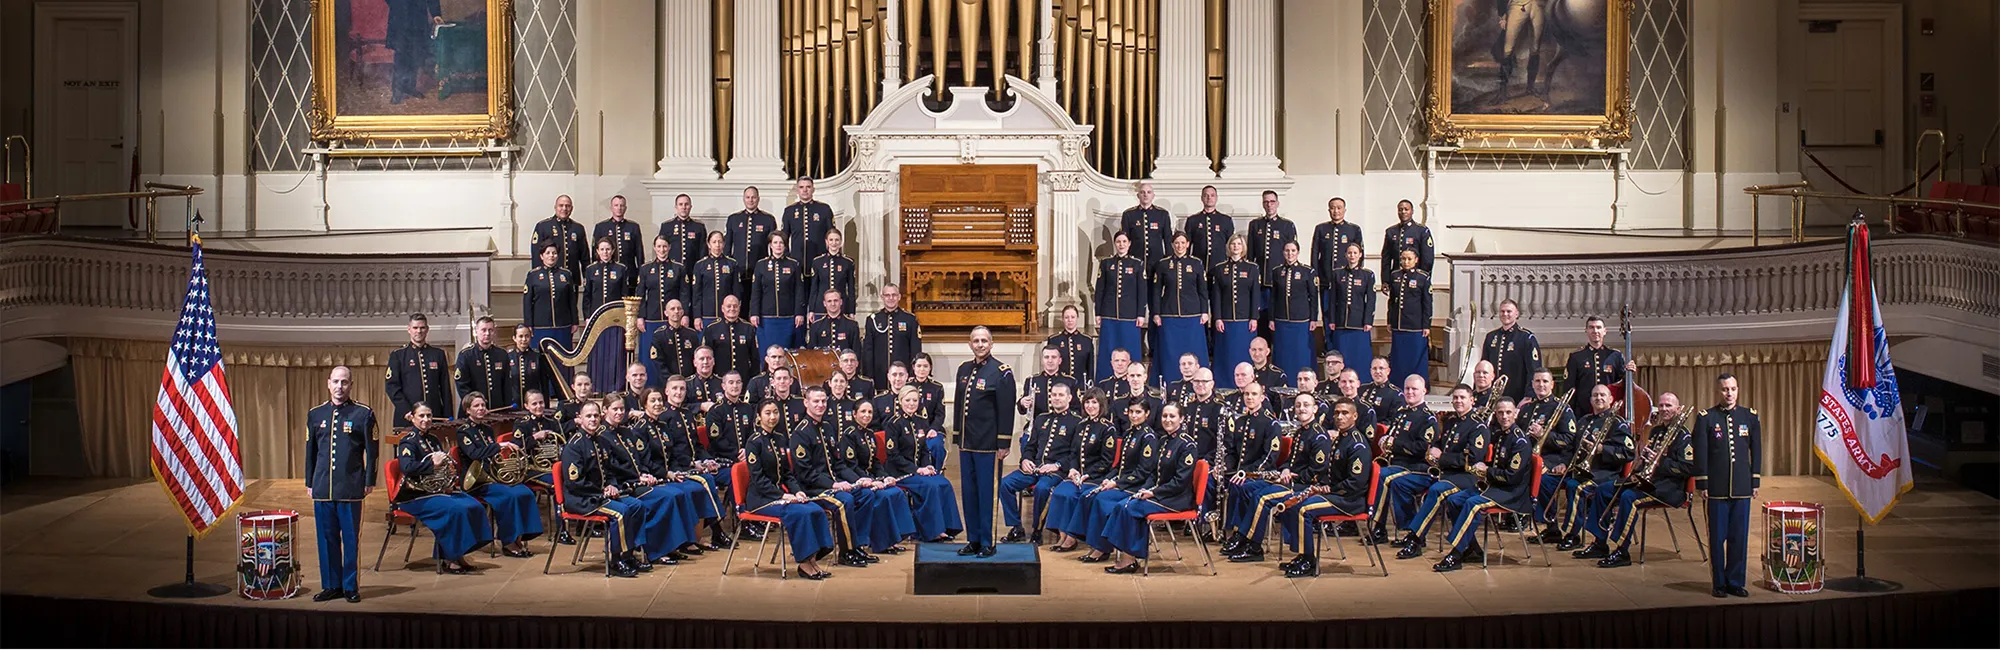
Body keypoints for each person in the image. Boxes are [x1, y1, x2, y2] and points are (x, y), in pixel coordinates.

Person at [1416, 397, 1535, 573]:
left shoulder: (1520, 441)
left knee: (1472, 504)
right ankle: (1471, 548)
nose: (1504, 416)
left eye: (1508, 412)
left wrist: (1487, 471)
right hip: (1495, 486)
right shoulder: (1501, 434)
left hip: (1512, 492)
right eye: (1500, 412)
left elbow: (1512, 477)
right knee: (1455, 500)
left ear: (1516, 414)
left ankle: (1456, 554)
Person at [1093, 401, 1201, 574]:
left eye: (1172, 416)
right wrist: (1144, 489)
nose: (1167, 420)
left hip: (1176, 499)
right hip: (1160, 493)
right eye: (1165, 416)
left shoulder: (1187, 445)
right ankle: (1126, 556)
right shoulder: (1164, 440)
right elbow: (1153, 473)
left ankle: (1129, 559)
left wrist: (1153, 492)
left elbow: (1180, 482)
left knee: (1128, 507)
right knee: (1125, 504)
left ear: (1181, 419)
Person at [1271, 396, 1373, 577]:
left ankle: (1309, 561)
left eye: (1345, 413)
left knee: (1304, 510)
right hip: (1338, 494)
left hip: (1349, 500)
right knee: (1293, 503)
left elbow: (1355, 483)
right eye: (1336, 413)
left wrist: (1329, 489)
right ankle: (1302, 554)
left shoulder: (1357, 444)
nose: (1340, 417)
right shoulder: (1341, 438)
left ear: (1355, 416)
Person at [1594, 392, 1695, 569]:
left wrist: (1660, 461)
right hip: (1649, 482)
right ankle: (1599, 543)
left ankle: (1622, 551)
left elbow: (1688, 468)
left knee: (1628, 498)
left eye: (1669, 406)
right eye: (1661, 405)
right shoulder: (1656, 431)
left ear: (1678, 410)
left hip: (1669, 489)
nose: (1664, 409)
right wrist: (1643, 461)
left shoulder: (1684, 437)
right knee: (1604, 489)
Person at [740, 398, 838, 579]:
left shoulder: (779, 438)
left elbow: (787, 473)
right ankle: (804, 563)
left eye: (775, 412)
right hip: (762, 498)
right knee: (799, 513)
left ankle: (813, 559)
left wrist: (797, 491)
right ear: (759, 417)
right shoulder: (754, 442)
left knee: (814, 508)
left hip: (781, 495)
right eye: (767, 413)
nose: (772, 417)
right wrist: (783, 495)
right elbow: (758, 478)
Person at [1391, 384, 1491, 561]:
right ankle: (1408, 528)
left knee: (1437, 490)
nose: (1458, 401)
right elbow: (1439, 443)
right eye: (1456, 398)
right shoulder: (1451, 421)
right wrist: (1433, 451)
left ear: (1472, 400)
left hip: (1465, 477)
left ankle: (1415, 539)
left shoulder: (1478, 427)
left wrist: (1442, 457)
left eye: (1462, 398)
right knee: (1400, 482)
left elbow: (1472, 459)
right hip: (1442, 473)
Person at [393, 404, 495, 574]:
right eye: (421, 416)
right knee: (455, 510)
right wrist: (431, 463)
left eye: (429, 415)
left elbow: (444, 466)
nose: (426, 420)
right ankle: (450, 558)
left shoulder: (433, 439)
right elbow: (407, 467)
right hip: (415, 495)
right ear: (412, 417)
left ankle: (459, 552)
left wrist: (447, 482)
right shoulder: (408, 441)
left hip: (435, 490)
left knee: (474, 505)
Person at [791, 385, 882, 568]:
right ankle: (846, 552)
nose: (820, 405)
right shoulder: (801, 432)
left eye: (824, 401)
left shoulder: (827, 427)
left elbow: (839, 463)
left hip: (834, 483)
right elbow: (805, 473)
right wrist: (834, 485)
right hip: (813, 487)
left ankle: (858, 545)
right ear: (806, 403)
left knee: (866, 494)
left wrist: (857, 480)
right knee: (844, 501)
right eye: (816, 401)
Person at [306, 367, 374, 602]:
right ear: (328, 383)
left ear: (351, 385)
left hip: (351, 487)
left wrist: (369, 481)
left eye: (344, 382)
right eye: (335, 381)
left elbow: (371, 452)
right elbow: (310, 453)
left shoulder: (363, 414)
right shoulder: (315, 414)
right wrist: (309, 482)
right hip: (323, 487)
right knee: (326, 539)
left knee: (350, 539)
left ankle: (349, 586)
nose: (339, 386)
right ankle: (331, 585)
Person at [559, 399, 647, 577]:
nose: (593, 419)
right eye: (588, 416)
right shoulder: (574, 446)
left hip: (601, 494)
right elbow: (574, 483)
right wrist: (602, 492)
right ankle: (616, 560)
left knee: (637, 506)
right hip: (583, 499)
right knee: (621, 512)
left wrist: (612, 486)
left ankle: (628, 554)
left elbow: (609, 471)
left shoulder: (600, 441)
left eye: (596, 416)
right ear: (580, 418)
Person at [1694, 374, 1760, 598]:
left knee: (1739, 537)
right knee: (1717, 537)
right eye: (1724, 389)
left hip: (1741, 486)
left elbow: (1756, 450)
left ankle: (1736, 581)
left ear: (1738, 389)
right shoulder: (1706, 418)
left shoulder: (1749, 416)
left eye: (1732, 389)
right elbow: (1701, 453)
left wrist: (1755, 480)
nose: (1729, 393)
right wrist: (1702, 482)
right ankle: (1719, 583)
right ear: (1718, 391)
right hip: (1716, 488)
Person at [954, 327, 1018, 556]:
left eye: (984, 341)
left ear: (991, 344)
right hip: (967, 443)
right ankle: (973, 540)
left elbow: (1006, 410)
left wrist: (1004, 443)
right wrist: (957, 436)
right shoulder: (963, 369)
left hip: (989, 445)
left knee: (987, 495)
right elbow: (960, 406)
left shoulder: (1001, 372)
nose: (980, 344)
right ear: (970, 344)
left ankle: (987, 541)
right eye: (975, 341)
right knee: (969, 494)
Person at [456, 393, 542, 558]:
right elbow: (474, 454)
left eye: (483, 405)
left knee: (524, 492)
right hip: (476, 482)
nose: (481, 408)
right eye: (476, 406)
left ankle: (520, 536)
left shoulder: (487, 429)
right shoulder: (463, 432)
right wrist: (499, 445)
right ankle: (508, 542)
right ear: (468, 410)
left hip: (493, 476)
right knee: (509, 496)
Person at [1074, 400, 1160, 564]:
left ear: (1147, 414)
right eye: (1131, 412)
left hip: (1136, 485)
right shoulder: (1129, 433)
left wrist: (1117, 483)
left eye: (1138, 412)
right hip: (1123, 481)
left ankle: (1102, 548)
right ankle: (1097, 545)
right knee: (1089, 496)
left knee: (1100, 499)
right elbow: (1120, 465)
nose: (1134, 416)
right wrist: (1109, 478)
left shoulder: (1148, 437)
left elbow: (1143, 471)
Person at [1216, 383, 1293, 563]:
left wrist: (1247, 472)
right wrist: (1225, 467)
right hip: (1241, 472)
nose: (1249, 397)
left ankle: (1243, 536)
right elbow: (1233, 452)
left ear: (1262, 396)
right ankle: (1235, 533)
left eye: (1254, 394)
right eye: (1247, 394)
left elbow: (1270, 457)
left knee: (1242, 486)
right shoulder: (1241, 421)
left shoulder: (1270, 422)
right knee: (1227, 482)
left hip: (1263, 474)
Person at [1555, 384, 1635, 554]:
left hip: (1605, 474)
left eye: (1603, 395)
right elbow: (1572, 448)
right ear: (1590, 399)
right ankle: (1552, 528)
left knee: (1574, 487)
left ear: (1610, 399)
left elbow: (1628, 453)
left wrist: (1601, 450)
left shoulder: (1618, 423)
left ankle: (1572, 534)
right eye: (1595, 395)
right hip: (1583, 471)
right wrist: (1563, 463)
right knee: (1557, 481)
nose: (1599, 398)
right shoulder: (1584, 421)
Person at [1001, 382, 1080, 545]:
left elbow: (1075, 454)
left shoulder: (1076, 422)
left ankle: (1037, 530)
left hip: (1056, 471)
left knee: (1042, 489)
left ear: (1069, 398)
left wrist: (1057, 465)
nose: (1056, 398)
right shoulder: (1041, 419)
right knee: (1005, 484)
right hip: (1034, 469)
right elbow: (1030, 446)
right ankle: (1016, 527)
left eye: (1061, 395)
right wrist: (1025, 460)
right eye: (1054, 395)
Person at [838, 400, 920, 554]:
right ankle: (881, 543)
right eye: (863, 412)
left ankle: (894, 538)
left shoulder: (869, 434)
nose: (867, 415)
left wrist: (884, 477)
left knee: (896, 492)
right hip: (855, 479)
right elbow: (850, 464)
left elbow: (875, 462)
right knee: (884, 496)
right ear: (854, 414)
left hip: (871, 479)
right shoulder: (849, 434)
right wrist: (871, 481)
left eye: (869, 412)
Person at [885, 385, 964, 542]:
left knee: (944, 483)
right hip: (901, 472)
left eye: (915, 400)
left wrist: (928, 465)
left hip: (920, 470)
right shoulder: (893, 424)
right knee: (931, 486)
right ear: (900, 401)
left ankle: (949, 527)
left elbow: (924, 451)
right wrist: (917, 469)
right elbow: (893, 455)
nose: (911, 403)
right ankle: (931, 530)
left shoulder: (921, 421)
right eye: (907, 400)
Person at [1367, 375, 1438, 544]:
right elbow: (1392, 436)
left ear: (1424, 391)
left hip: (1416, 467)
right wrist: (1384, 440)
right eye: (1407, 389)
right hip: (1397, 464)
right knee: (1375, 472)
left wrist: (1395, 443)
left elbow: (1422, 449)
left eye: (1414, 389)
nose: (1410, 392)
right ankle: (1400, 529)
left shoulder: (1428, 418)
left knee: (1383, 476)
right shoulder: (1401, 413)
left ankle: (1378, 526)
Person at [1045, 388, 1117, 552]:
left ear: (1101, 405)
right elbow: (1073, 453)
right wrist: (1072, 469)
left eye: (1094, 402)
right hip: (1077, 475)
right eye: (1087, 402)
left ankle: (1072, 538)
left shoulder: (1108, 428)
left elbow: (1106, 462)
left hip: (1096, 477)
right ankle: (1062, 535)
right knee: (1060, 492)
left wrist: (1087, 475)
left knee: (1072, 495)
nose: (1090, 406)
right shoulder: (1081, 425)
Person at [1521, 368, 1579, 543]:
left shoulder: (1562, 408)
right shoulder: (1527, 408)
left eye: (1545, 381)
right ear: (1532, 384)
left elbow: (1569, 439)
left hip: (1554, 459)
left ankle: (1550, 522)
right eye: (1537, 381)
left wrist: (1543, 435)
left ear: (1552, 384)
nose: (1541, 385)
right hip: (1529, 458)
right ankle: (1517, 514)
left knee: (1543, 478)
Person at [1152, 231, 1210, 384]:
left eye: (1183, 242)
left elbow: (1203, 290)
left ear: (1188, 244)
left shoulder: (1196, 263)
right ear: (1172, 245)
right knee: (1170, 352)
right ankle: (1170, 382)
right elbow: (1156, 290)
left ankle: (1198, 380)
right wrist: (1156, 313)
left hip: (1193, 315)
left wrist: (1205, 311)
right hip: (1169, 314)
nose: (1180, 246)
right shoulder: (1163, 264)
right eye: (1177, 243)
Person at [1094, 231, 1150, 381]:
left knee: (1130, 350)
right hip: (1109, 314)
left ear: (1129, 243)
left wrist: (1141, 314)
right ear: (1115, 243)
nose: (1121, 245)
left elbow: (1142, 291)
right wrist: (1098, 313)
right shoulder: (1106, 263)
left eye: (1124, 241)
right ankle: (1104, 381)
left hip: (1130, 315)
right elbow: (1100, 290)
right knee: (1108, 349)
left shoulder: (1137, 264)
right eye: (1118, 242)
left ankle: (1133, 379)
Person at [1264, 240, 1320, 387]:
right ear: (1283, 252)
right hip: (1281, 320)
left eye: (1293, 251)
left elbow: (1314, 296)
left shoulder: (1308, 271)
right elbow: (1273, 297)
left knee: (1301, 354)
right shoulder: (1277, 271)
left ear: (1298, 252)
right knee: (1283, 354)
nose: (1290, 254)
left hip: (1301, 321)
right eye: (1287, 251)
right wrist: (1271, 318)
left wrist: (1314, 318)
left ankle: (1305, 383)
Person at [1209, 233, 1262, 379]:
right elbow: (1216, 295)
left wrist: (1254, 318)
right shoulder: (1219, 268)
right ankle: (1223, 382)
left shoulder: (1252, 268)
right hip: (1225, 320)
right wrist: (1218, 318)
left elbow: (1255, 295)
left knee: (1244, 353)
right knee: (1226, 353)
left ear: (1243, 247)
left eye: (1239, 244)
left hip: (1245, 320)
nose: (1236, 247)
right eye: (1233, 244)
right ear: (1229, 247)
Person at [386, 313, 452, 428]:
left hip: (434, 416)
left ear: (427, 329)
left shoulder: (438, 354)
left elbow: (445, 388)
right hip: (408, 417)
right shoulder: (398, 355)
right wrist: (407, 411)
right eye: (415, 328)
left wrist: (448, 415)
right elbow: (392, 387)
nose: (419, 331)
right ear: (409, 330)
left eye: (422, 328)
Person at [1564, 315, 1637, 416]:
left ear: (1605, 331)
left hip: (1611, 414)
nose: (1595, 331)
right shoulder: (1576, 357)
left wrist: (1628, 372)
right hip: (1583, 414)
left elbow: (1622, 386)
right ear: (1586, 331)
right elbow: (1569, 389)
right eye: (1591, 327)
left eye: (1598, 327)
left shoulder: (1615, 356)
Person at [748, 233, 806, 352]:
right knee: (767, 352)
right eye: (775, 242)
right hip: (766, 318)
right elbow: (756, 292)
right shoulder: (761, 265)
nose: (778, 246)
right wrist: (754, 313)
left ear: (785, 245)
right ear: (770, 245)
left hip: (788, 317)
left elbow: (799, 291)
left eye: (781, 243)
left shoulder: (793, 264)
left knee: (786, 353)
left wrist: (799, 313)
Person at [1383, 249, 1432, 387]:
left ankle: (1419, 385)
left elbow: (1427, 303)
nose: (1406, 262)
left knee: (1415, 359)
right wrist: (1389, 321)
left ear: (1416, 260)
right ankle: (1397, 384)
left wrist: (1426, 325)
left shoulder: (1422, 277)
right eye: (1403, 259)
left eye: (1409, 259)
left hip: (1416, 325)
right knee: (1399, 358)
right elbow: (1392, 301)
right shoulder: (1395, 275)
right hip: (1399, 324)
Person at [1324, 242, 1376, 373]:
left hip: (1359, 322)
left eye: (1355, 253)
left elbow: (1370, 300)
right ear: (1345, 255)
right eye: (1349, 253)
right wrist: (1332, 320)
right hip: (1341, 321)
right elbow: (1332, 299)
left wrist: (1368, 321)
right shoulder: (1337, 273)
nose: (1352, 255)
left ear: (1360, 255)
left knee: (1359, 356)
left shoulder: (1367, 275)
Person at [860, 283, 923, 384]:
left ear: (899, 297)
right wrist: (868, 376)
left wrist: (912, 374)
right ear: (882, 297)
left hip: (903, 377)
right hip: (879, 376)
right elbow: (868, 352)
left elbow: (915, 350)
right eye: (887, 295)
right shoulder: (873, 320)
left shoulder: (910, 319)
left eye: (894, 295)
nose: (891, 298)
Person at [523, 241, 580, 352]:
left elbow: (572, 300)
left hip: (563, 324)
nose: (551, 256)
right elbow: (527, 302)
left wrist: (575, 321)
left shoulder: (566, 274)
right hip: (540, 325)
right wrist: (528, 323)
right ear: (541, 256)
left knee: (563, 355)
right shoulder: (533, 275)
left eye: (554, 253)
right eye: (547, 253)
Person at [1481, 299, 1539, 402]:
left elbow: (1533, 370)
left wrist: (1529, 395)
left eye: (1509, 311)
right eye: (1502, 311)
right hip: (1493, 396)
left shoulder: (1526, 338)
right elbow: (1484, 365)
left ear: (1516, 314)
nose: (1505, 314)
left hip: (1518, 395)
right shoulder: (1491, 337)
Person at [385, 0, 440, 104]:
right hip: (400, 18)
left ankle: (410, 87)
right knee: (401, 57)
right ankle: (397, 92)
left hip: (418, 18)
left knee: (416, 54)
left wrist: (436, 13)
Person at [453, 316, 511, 411]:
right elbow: (462, 384)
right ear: (476, 331)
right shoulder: (466, 355)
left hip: (497, 409)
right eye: (483, 330)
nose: (487, 333)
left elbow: (506, 385)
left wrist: (506, 407)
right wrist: (475, 406)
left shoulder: (502, 354)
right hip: (473, 410)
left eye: (490, 330)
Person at [638, 236, 691, 333]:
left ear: (669, 247)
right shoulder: (645, 268)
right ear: (654, 248)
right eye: (659, 246)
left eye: (665, 246)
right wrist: (640, 316)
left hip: (674, 317)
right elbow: (640, 294)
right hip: (652, 316)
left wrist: (685, 314)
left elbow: (684, 294)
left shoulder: (679, 268)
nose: (662, 250)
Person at [691, 231, 744, 330]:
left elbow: (736, 290)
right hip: (706, 314)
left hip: (727, 314)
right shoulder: (700, 265)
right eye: (714, 242)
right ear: (708, 244)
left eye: (720, 242)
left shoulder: (732, 263)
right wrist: (697, 316)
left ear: (724, 244)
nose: (717, 245)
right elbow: (696, 293)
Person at [702, 295, 759, 380]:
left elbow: (754, 357)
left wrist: (754, 378)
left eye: (735, 306)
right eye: (728, 306)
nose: (732, 309)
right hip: (719, 379)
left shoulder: (748, 328)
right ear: (722, 308)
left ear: (739, 308)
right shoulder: (712, 328)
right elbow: (707, 355)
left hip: (742, 379)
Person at [1121, 182, 1174, 270]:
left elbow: (1168, 238)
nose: (1145, 195)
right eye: (1142, 192)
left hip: (1157, 260)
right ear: (1138, 195)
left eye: (1149, 192)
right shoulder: (1129, 214)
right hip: (1135, 260)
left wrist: (1169, 259)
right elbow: (1125, 239)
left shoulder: (1162, 214)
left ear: (1153, 195)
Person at [533, 196, 587, 281]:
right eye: (561, 205)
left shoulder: (578, 228)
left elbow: (584, 256)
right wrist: (537, 277)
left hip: (572, 277)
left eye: (567, 206)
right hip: (549, 278)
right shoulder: (543, 226)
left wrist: (586, 276)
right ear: (555, 207)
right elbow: (536, 254)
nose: (564, 208)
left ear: (572, 208)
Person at [1311, 197, 1364, 284]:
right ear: (1329, 210)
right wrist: (1315, 274)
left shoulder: (1354, 229)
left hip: (1346, 276)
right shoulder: (1321, 228)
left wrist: (1358, 273)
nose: (1336, 211)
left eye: (1339, 208)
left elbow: (1360, 253)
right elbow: (1315, 252)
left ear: (1344, 210)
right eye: (1332, 208)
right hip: (1325, 276)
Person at [1245, 190, 1295, 278]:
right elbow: (1251, 252)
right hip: (1260, 272)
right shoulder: (1255, 224)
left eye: (1272, 202)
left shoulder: (1287, 225)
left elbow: (1292, 251)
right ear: (1263, 204)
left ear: (1277, 204)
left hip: (1280, 273)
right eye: (1266, 202)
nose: (1269, 205)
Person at [1379, 199, 1434, 279]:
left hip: (1416, 278)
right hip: (1396, 278)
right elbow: (1386, 258)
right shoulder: (1391, 231)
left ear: (1412, 211)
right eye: (1400, 210)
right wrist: (1385, 279)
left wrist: (1423, 278)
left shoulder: (1422, 231)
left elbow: (1427, 258)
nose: (1403, 212)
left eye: (1406, 209)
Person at [784, 178, 836, 262]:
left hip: (820, 259)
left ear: (813, 189)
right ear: (797, 190)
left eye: (808, 187)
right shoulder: (789, 211)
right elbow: (784, 237)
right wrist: (787, 257)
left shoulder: (824, 209)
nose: (805, 190)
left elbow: (832, 234)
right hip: (797, 259)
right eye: (801, 187)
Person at [1018, 346, 1077, 419]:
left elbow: (1076, 409)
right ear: (1042, 360)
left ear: (1059, 360)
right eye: (1046, 357)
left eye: (1054, 357)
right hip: (1038, 425)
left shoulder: (1070, 381)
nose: (1050, 360)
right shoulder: (1032, 380)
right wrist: (1022, 403)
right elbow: (1023, 410)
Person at [725, 186, 778, 267]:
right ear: (743, 199)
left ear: (758, 199)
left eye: (753, 197)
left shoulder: (768, 219)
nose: (750, 200)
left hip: (760, 266)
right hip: (737, 265)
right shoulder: (733, 219)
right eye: (747, 197)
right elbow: (727, 244)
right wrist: (727, 263)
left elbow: (773, 245)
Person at [649, 300, 701, 381]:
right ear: (666, 313)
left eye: (679, 309)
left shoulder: (691, 334)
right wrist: (670, 379)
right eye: (672, 309)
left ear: (683, 312)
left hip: (690, 382)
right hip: (669, 382)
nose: (676, 311)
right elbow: (658, 362)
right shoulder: (659, 335)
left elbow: (697, 358)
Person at [1183, 185, 1232, 271]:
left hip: (1220, 265)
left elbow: (1230, 244)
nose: (1209, 198)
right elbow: (1187, 245)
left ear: (1216, 198)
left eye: (1212, 195)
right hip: (1198, 264)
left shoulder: (1225, 220)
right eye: (1206, 195)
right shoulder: (1192, 220)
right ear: (1201, 198)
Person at [912, 354, 949, 469]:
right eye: (919, 366)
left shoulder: (937, 388)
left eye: (925, 366)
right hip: (911, 430)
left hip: (931, 430)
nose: (922, 369)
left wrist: (933, 429)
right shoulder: (907, 386)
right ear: (913, 367)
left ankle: (935, 473)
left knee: (936, 446)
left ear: (930, 368)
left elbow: (940, 414)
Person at [581, 238, 633, 316]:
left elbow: (624, 294)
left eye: (608, 249)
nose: (605, 252)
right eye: (602, 249)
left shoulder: (621, 269)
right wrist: (587, 316)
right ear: (597, 251)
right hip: (596, 313)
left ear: (612, 251)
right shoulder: (590, 269)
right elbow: (587, 296)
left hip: (615, 312)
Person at [657, 193, 708, 272]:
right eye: (680, 204)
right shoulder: (667, 226)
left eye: (686, 204)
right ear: (676, 207)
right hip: (671, 270)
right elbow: (660, 248)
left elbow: (703, 250)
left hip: (692, 269)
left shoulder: (699, 227)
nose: (684, 207)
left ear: (690, 207)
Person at [508, 324, 555, 409]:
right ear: (514, 338)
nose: (524, 339)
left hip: (534, 405)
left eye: (527, 336)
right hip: (515, 405)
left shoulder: (537, 357)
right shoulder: (508, 357)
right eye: (520, 336)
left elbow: (544, 384)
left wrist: (546, 407)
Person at [1045, 305, 1095, 384]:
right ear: (1063, 319)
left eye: (1073, 317)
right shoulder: (1054, 340)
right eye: (1066, 317)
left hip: (1080, 385)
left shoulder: (1087, 340)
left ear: (1077, 318)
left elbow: (1090, 367)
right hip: (1060, 385)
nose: (1070, 320)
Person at [1108, 362, 1164, 431]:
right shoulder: (1118, 403)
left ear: (1145, 377)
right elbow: (1116, 432)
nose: (1135, 379)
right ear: (1127, 377)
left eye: (1138, 375)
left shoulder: (1156, 403)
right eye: (1132, 375)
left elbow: (1159, 432)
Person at [595, 195, 645, 271]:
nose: (619, 208)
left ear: (625, 208)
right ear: (611, 208)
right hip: (607, 270)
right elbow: (595, 251)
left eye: (622, 205)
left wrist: (641, 271)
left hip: (629, 269)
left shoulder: (633, 227)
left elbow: (639, 251)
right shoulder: (601, 227)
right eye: (616, 205)